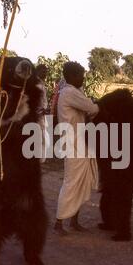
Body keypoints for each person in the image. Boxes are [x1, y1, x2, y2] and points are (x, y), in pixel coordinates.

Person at [54, 62, 99, 235]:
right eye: (80, 75)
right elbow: (91, 108)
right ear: (71, 77)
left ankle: (74, 220)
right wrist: (100, 105)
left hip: (79, 141)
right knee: (72, 181)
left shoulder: (72, 92)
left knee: (81, 181)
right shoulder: (70, 92)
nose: (83, 78)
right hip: (73, 143)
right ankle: (59, 222)